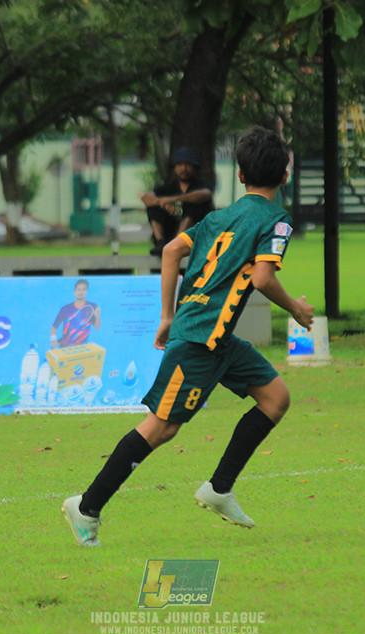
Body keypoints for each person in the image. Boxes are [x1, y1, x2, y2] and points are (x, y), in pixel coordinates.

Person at [62, 127, 315, 546]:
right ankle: (86, 506)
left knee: (275, 398)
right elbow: (264, 276)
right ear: (285, 176)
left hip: (217, 339)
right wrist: (297, 309)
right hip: (200, 338)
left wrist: (166, 315)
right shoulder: (276, 220)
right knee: (161, 428)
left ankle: (219, 488)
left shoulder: (218, 217)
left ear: (239, 176)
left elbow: (170, 251)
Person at [141, 147, 214, 256]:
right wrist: (162, 203)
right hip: (169, 232)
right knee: (153, 207)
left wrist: (172, 199)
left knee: (194, 206)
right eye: (180, 165)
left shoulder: (201, 185)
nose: (184, 169)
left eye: (188, 165)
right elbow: (147, 198)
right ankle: (160, 242)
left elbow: (205, 194)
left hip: (195, 238)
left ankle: (177, 242)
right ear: (174, 167)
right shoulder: (167, 188)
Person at [50, 279, 101, 349]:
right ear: (75, 292)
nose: (81, 292)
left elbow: (97, 327)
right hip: (65, 348)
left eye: (83, 289)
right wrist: (53, 340)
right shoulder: (65, 309)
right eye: (78, 289)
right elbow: (54, 328)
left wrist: (98, 315)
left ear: (86, 292)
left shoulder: (92, 307)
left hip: (83, 349)